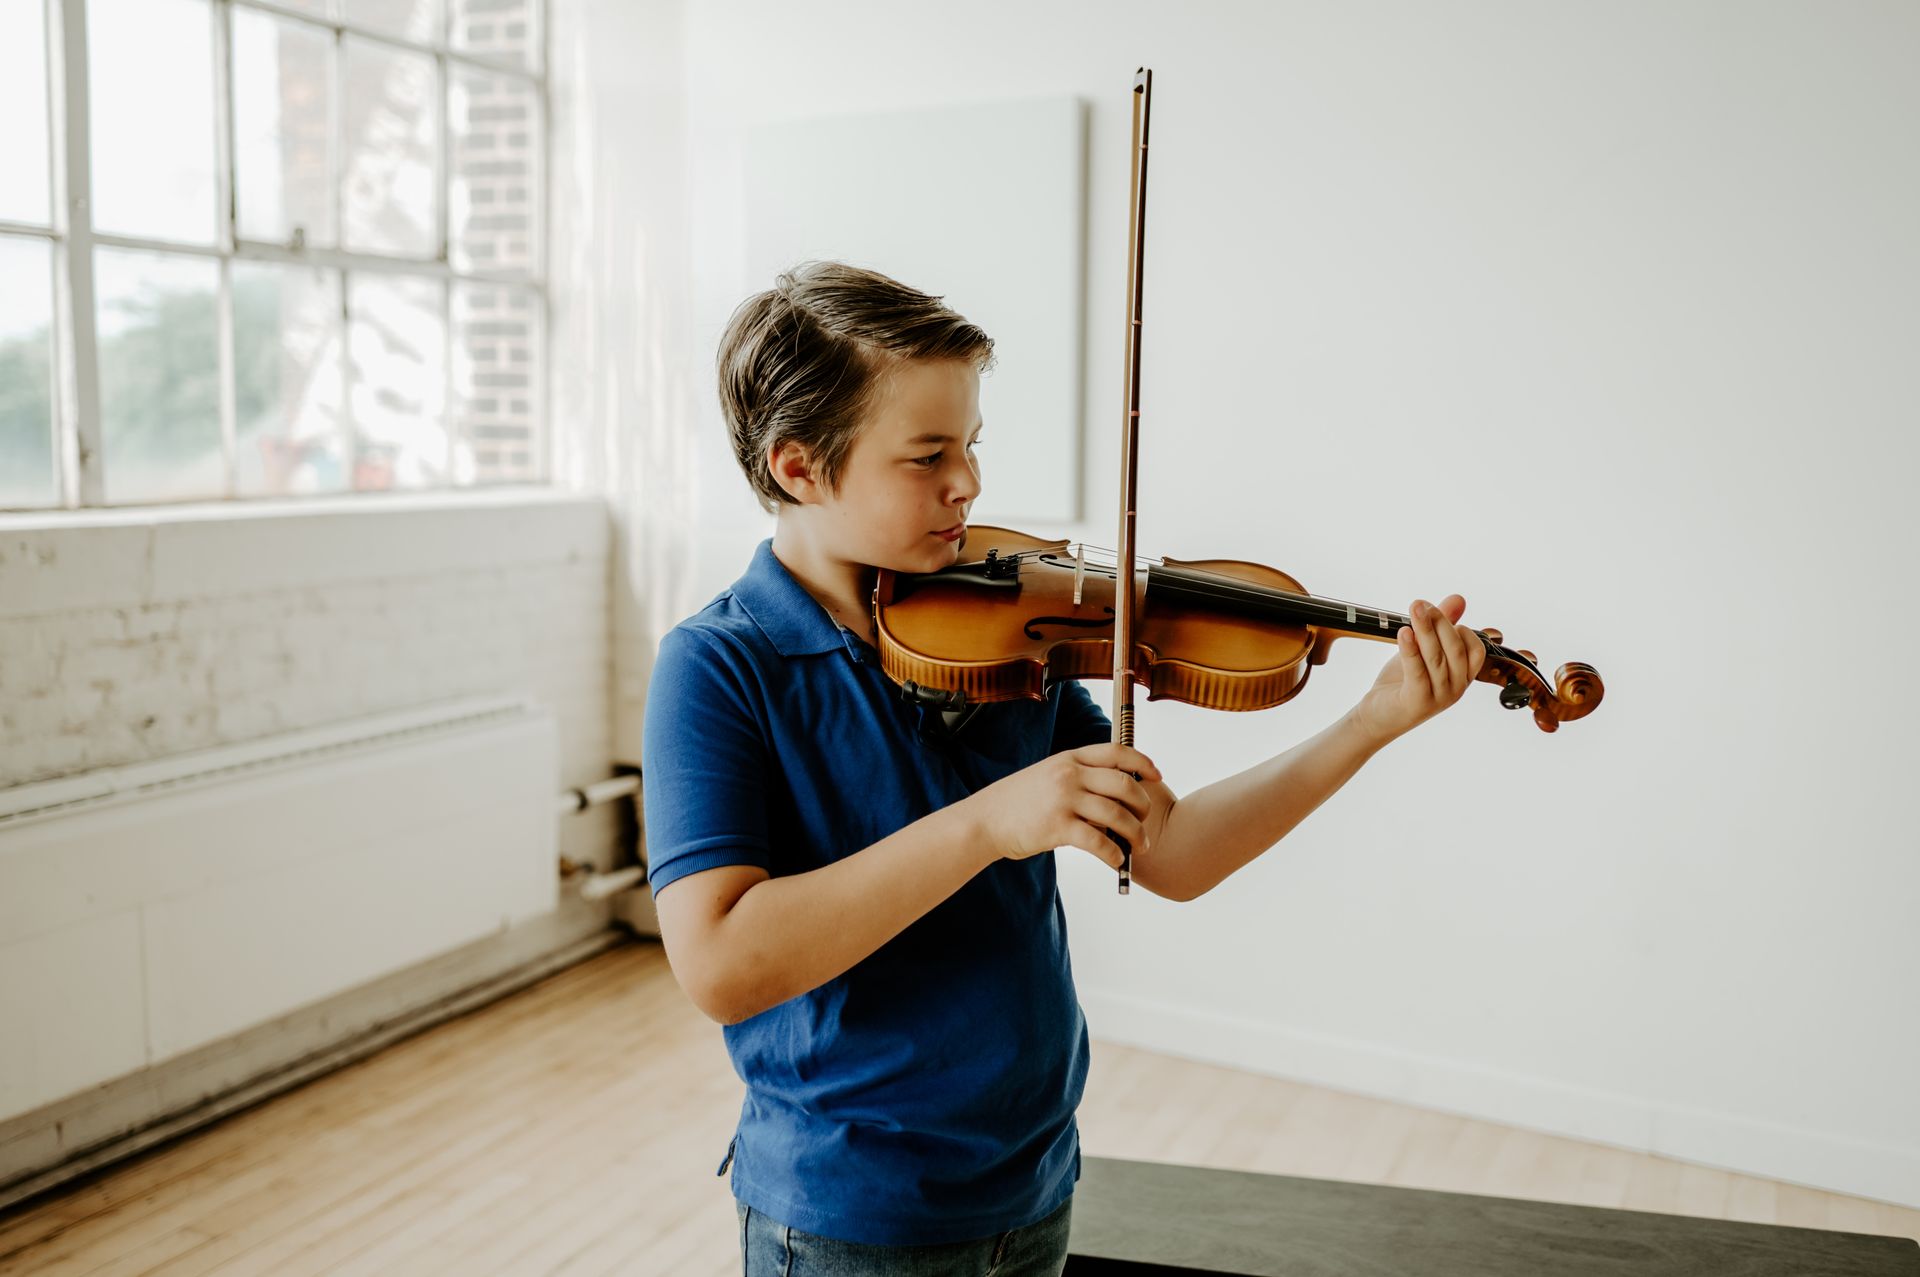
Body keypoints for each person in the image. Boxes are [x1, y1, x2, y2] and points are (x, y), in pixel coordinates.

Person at [641, 260, 1487, 1276]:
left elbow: (1169, 849)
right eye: (926, 456)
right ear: (798, 468)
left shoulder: (1007, 634)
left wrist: (1373, 720)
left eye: (972, 445)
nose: (970, 484)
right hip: (849, 1209)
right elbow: (721, 964)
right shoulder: (721, 664)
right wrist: (991, 822)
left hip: (1031, 1180)